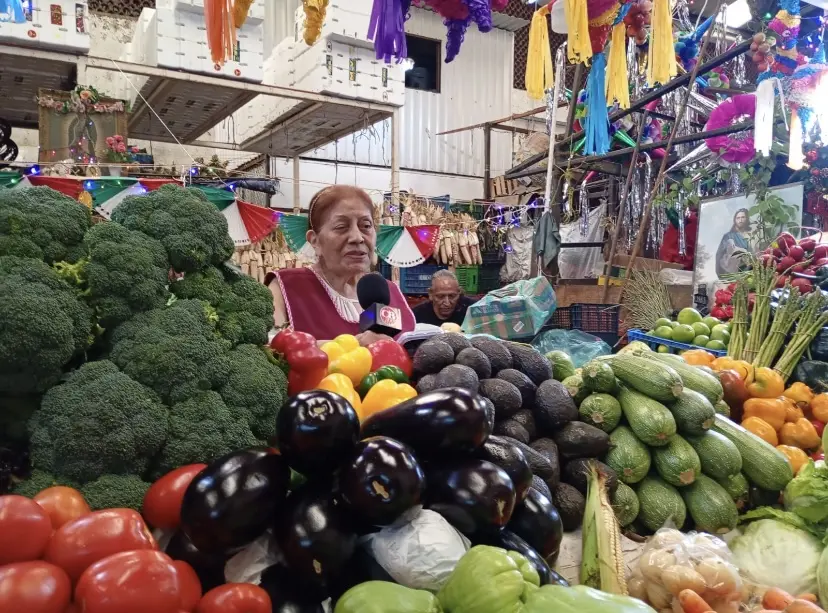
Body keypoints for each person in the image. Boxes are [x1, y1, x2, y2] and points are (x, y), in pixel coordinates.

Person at [266, 185, 415, 345]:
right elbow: (269, 348)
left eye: (366, 226)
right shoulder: (287, 287)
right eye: (341, 227)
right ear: (315, 241)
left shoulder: (390, 292)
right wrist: (352, 347)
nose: (357, 237)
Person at [715, 208, 751, 277]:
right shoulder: (728, 236)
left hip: (749, 273)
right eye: (738, 218)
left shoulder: (751, 234)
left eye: (743, 217)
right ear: (735, 220)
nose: (740, 220)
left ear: (747, 219)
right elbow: (719, 255)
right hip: (732, 274)